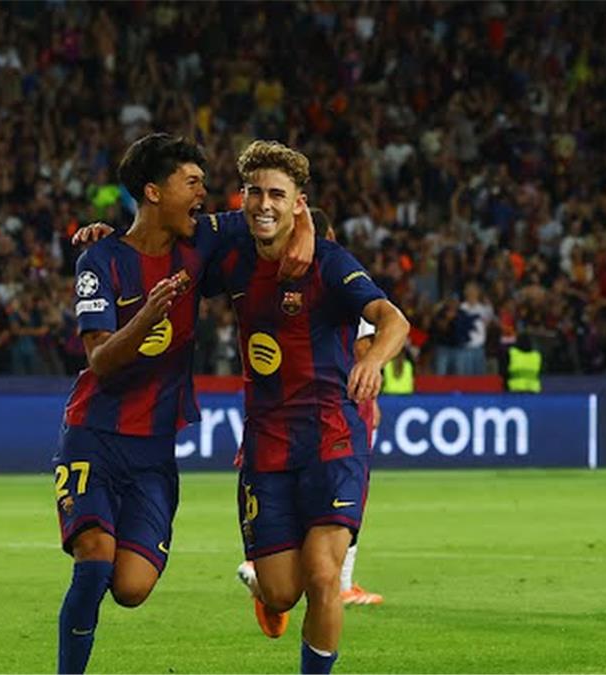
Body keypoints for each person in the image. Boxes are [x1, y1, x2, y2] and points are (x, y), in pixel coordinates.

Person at [54, 133, 312, 674]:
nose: (203, 194)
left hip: (153, 448)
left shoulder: (201, 241)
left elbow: (279, 208)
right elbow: (100, 360)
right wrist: (147, 315)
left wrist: (306, 235)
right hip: (93, 435)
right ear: (154, 192)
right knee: (95, 560)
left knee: (131, 588)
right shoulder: (100, 260)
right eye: (191, 182)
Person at [209, 141, 409, 673]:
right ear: (242, 196)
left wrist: (374, 361)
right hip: (267, 443)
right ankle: (267, 594)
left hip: (332, 438)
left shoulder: (329, 262)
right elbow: (161, 235)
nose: (264, 204)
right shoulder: (231, 249)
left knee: (324, 575)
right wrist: (107, 241)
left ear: (299, 202)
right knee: (281, 592)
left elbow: (393, 319)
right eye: (255, 192)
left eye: (278, 194)